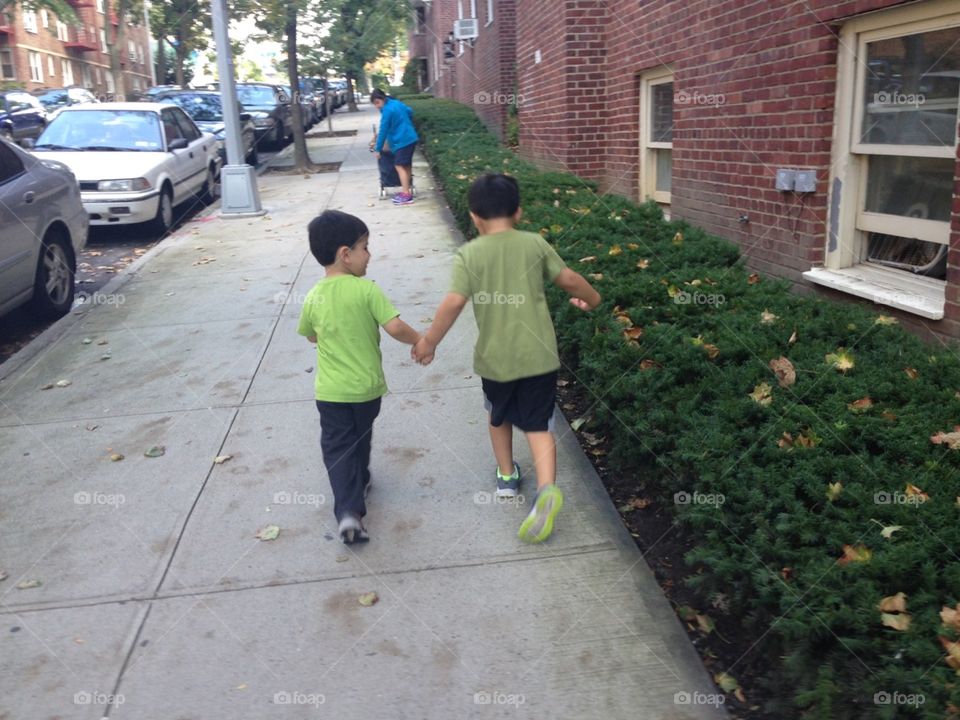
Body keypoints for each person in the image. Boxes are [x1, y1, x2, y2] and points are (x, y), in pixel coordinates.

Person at [412, 174, 602, 543]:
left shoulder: (470, 254)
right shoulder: (534, 243)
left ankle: (506, 476)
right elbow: (569, 278)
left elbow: (453, 302)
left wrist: (429, 341)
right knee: (538, 424)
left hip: (495, 360)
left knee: (497, 415)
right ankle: (546, 489)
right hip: (538, 356)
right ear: (518, 212)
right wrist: (592, 299)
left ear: (474, 217)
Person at [298, 210, 422, 544]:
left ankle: (349, 511)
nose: (370, 254)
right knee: (360, 436)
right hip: (367, 391)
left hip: (331, 392)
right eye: (365, 247)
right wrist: (421, 341)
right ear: (345, 254)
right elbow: (395, 327)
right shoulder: (367, 290)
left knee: (338, 446)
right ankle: (361, 478)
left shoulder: (313, 296)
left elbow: (311, 335)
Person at [370, 88, 418, 206]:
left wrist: (378, 149)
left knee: (399, 165)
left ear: (383, 99)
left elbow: (383, 131)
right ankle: (407, 191)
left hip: (402, 141)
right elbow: (409, 111)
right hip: (410, 138)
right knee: (406, 165)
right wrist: (405, 122)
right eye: (374, 104)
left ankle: (406, 195)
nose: (376, 106)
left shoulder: (387, 111)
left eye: (377, 102)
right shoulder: (396, 103)